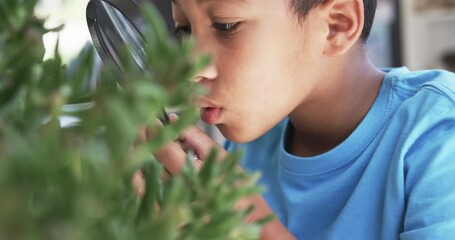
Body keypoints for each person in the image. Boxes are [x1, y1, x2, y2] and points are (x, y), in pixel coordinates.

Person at [146, 0, 455, 239]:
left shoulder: (439, 134)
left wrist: (249, 219)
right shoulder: (249, 146)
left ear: (336, 25)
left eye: (226, 26)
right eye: (184, 30)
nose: (189, 67)